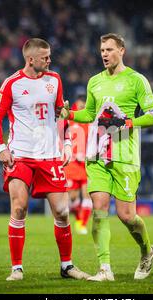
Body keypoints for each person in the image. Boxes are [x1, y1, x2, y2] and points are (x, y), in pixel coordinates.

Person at [60, 33, 153, 281]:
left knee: (126, 216)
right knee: (99, 209)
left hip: (125, 155)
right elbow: (90, 115)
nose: (104, 54)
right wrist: (69, 114)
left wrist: (127, 122)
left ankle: (147, 250)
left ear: (122, 50)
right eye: (102, 50)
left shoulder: (137, 80)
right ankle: (104, 269)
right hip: (97, 155)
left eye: (109, 49)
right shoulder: (94, 81)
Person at [0, 38, 89, 281]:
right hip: (20, 156)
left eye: (49, 56)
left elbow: (61, 114)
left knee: (63, 212)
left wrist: (66, 144)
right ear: (30, 59)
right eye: (45, 56)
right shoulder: (12, 83)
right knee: (19, 208)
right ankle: (16, 269)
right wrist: (1, 147)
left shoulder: (54, 80)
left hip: (49, 156)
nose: (49, 60)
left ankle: (67, 266)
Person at [64, 95, 92, 235]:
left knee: (87, 195)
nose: (83, 106)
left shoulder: (89, 121)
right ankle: (79, 219)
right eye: (81, 103)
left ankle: (82, 224)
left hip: (86, 164)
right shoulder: (69, 119)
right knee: (73, 198)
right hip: (72, 164)